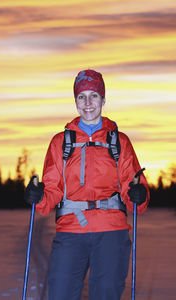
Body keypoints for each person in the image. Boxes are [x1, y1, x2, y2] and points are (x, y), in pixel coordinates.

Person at [25, 69, 150, 300]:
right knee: (60, 293)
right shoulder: (61, 142)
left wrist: (138, 195)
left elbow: (133, 190)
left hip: (112, 231)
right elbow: (53, 190)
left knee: (106, 294)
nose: (88, 102)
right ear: (75, 101)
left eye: (94, 95)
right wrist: (38, 196)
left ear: (103, 99)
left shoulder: (118, 141)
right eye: (82, 96)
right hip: (71, 231)